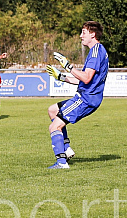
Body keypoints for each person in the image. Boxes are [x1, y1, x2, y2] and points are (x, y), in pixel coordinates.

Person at [45, 21, 109, 170]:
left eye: (83, 33)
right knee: (52, 110)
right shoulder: (98, 51)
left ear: (92, 34)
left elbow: (86, 77)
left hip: (86, 98)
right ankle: (66, 148)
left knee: (54, 127)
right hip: (88, 96)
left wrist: (68, 66)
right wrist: (62, 77)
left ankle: (61, 162)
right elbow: (83, 79)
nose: (81, 36)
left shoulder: (95, 52)